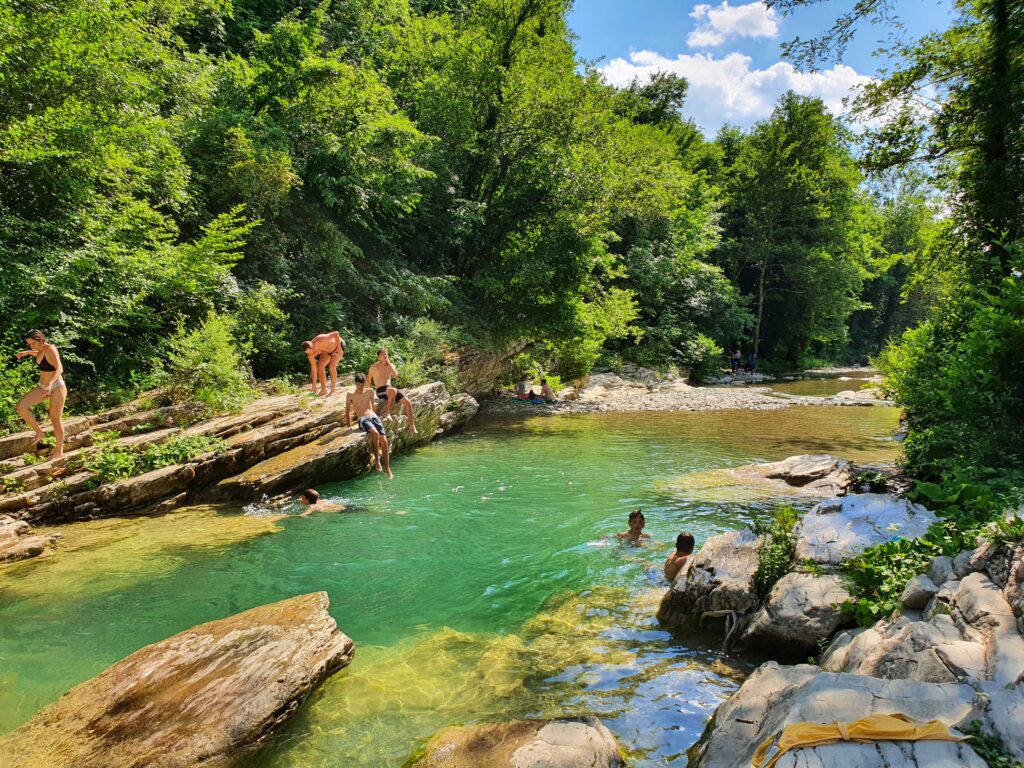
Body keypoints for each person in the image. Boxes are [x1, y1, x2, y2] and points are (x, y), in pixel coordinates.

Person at [15, 330, 67, 459]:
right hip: (42, 386)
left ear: (40, 339)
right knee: (21, 407)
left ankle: (58, 451)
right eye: (29, 344)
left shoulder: (51, 349)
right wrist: (27, 352)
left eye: (33, 343)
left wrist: (50, 384)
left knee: (55, 418)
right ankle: (39, 432)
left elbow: (59, 368)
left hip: (56, 386)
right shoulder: (41, 350)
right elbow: (39, 353)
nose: (32, 346)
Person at [347, 372, 393, 478]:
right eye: (358, 385)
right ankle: (377, 461)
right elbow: (348, 411)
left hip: (373, 417)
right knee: (375, 433)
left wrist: (375, 416)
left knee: (384, 440)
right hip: (362, 419)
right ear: (355, 384)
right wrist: (349, 425)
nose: (360, 387)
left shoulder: (370, 391)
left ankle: (387, 468)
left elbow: (373, 406)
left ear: (365, 384)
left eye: (362, 385)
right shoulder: (350, 395)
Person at [367, 348, 417, 433]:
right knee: (393, 390)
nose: (385, 356)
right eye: (382, 354)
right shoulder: (374, 367)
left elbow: (395, 376)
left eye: (386, 354)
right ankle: (387, 413)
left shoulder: (391, 365)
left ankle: (412, 426)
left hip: (390, 390)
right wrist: (366, 393)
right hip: (380, 390)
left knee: (407, 402)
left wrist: (389, 364)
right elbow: (368, 380)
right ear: (378, 357)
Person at [301, 331, 346, 397]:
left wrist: (339, 348)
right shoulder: (309, 355)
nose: (311, 354)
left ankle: (333, 390)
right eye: (308, 353)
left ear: (311, 346)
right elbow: (313, 368)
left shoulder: (320, 339)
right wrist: (314, 384)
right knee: (319, 367)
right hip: (326, 351)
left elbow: (336, 333)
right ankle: (324, 390)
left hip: (338, 346)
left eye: (311, 351)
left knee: (331, 366)